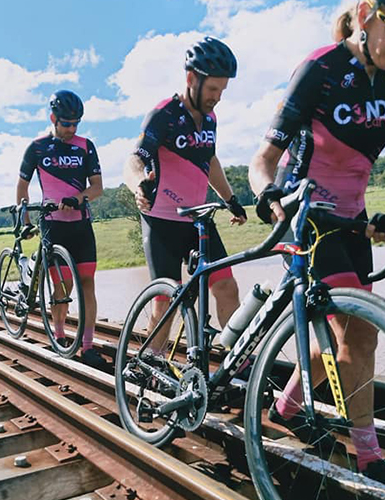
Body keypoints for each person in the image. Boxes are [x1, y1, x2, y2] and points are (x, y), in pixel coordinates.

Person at [249, 0, 385, 488]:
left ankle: (285, 406)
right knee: (355, 331)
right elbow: (263, 159)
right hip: (304, 213)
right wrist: (267, 193)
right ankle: (368, 452)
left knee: (352, 333)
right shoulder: (321, 68)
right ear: (365, 13)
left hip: (352, 217)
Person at [123, 36, 247, 354]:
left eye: (222, 90)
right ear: (192, 79)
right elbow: (135, 159)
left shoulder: (211, 119)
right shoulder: (163, 114)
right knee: (166, 301)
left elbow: (210, 160)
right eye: (212, 89)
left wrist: (231, 199)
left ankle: (237, 366)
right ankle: (149, 362)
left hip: (199, 219)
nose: (217, 98)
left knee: (226, 286)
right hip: (162, 220)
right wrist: (139, 185)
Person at [17, 90, 106, 369]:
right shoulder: (37, 148)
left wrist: (77, 199)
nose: (71, 129)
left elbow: (98, 188)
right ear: (53, 118)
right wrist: (26, 221)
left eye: (76, 123)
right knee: (63, 285)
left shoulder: (85, 146)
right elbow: (22, 187)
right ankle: (59, 337)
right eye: (66, 123)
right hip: (53, 224)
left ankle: (88, 346)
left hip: (80, 223)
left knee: (88, 284)